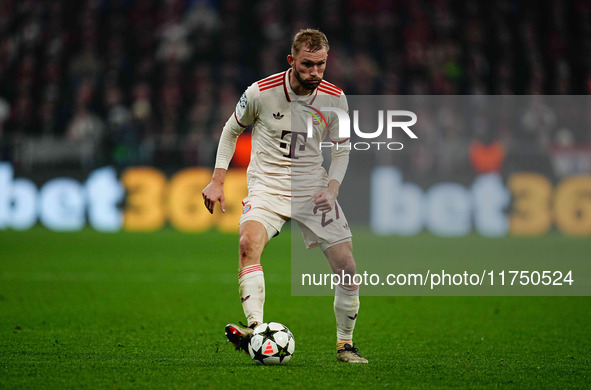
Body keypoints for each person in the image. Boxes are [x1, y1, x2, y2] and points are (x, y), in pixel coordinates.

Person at [202, 29, 367, 363]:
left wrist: (333, 188)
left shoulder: (335, 98)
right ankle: (256, 329)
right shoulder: (261, 93)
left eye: (321, 65)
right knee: (248, 245)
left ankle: (345, 345)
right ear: (291, 61)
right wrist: (217, 180)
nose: (315, 73)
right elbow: (231, 129)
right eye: (307, 65)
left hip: (313, 189)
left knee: (347, 268)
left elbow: (342, 148)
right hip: (267, 185)